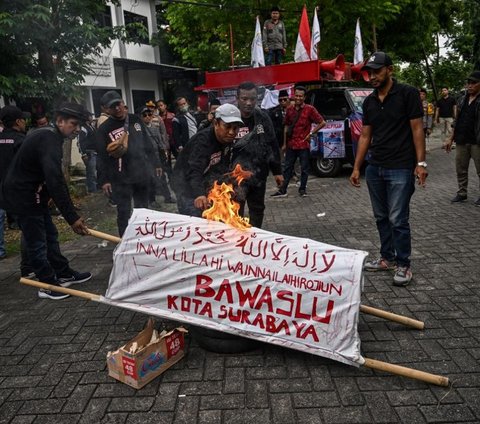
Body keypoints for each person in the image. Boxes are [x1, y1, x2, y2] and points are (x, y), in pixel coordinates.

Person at [349, 52, 427, 286]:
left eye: (377, 71)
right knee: (381, 216)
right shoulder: (370, 101)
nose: (372, 76)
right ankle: (387, 258)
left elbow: (417, 129)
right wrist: (356, 167)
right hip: (375, 167)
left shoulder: (408, 94)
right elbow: (365, 135)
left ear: (390, 70)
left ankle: (404, 264)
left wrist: (421, 164)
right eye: (369, 72)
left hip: (401, 167)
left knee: (398, 218)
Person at [1, 103, 92, 300]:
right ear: (59, 121)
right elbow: (55, 179)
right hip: (22, 196)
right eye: (73, 124)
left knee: (50, 234)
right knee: (37, 242)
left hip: (34, 193)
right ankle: (46, 284)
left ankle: (63, 272)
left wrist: (47, 197)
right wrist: (72, 218)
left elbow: (47, 176)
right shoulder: (48, 139)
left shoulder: (50, 136)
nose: (77, 129)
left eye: (79, 125)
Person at [96, 91, 161, 236]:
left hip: (141, 172)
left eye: (118, 104)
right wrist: (104, 180)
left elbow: (147, 143)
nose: (117, 108)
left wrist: (156, 163)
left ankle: (144, 239)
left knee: (143, 209)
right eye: (113, 106)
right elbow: (101, 156)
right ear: (107, 109)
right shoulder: (104, 129)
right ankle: (125, 241)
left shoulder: (135, 120)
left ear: (123, 103)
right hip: (120, 177)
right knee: (124, 211)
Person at [172, 104, 243, 217]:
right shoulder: (202, 142)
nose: (231, 132)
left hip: (203, 180)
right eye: (227, 127)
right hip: (185, 183)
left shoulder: (226, 140)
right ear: (216, 123)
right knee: (196, 218)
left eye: (235, 128)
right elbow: (194, 170)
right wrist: (199, 194)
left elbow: (221, 166)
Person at [232, 81, 283, 227]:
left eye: (253, 99)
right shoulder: (229, 118)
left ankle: (255, 239)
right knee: (236, 209)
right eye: (244, 99)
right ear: (237, 98)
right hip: (236, 176)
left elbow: (272, 144)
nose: (249, 103)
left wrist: (277, 171)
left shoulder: (263, 117)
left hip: (259, 174)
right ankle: (238, 240)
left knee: (257, 209)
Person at [271, 86, 325, 197]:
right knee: (287, 168)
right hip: (291, 144)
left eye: (301, 96)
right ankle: (283, 190)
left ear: (304, 97)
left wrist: (311, 133)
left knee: (304, 169)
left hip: (304, 144)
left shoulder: (310, 109)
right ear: (293, 96)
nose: (298, 98)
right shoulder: (290, 110)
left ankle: (302, 189)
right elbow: (286, 126)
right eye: (296, 96)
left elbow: (322, 122)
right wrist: (285, 144)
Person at [444, 71, 480, 206]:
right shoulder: (462, 99)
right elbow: (456, 120)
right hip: (461, 140)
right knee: (461, 168)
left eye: (473, 83)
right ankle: (462, 193)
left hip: (477, 141)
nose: (470, 86)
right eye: (468, 83)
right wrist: (450, 138)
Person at [0, 106, 29, 260]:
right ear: (18, 122)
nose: (25, 122)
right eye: (23, 119)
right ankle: (29, 265)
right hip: (20, 191)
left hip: (3, 190)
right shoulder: (22, 141)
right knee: (30, 229)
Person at [139, 106, 174, 205]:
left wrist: (164, 151)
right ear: (141, 117)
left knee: (162, 177)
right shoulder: (140, 129)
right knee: (150, 179)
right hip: (147, 157)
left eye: (149, 114)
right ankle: (152, 200)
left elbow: (160, 141)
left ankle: (167, 197)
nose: (147, 117)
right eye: (144, 115)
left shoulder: (154, 127)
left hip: (158, 156)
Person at [77, 114, 98, 193]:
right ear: (86, 118)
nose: (92, 118)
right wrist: (83, 154)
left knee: (95, 171)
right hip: (89, 153)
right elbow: (80, 142)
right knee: (91, 172)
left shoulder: (91, 126)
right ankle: (92, 190)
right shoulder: (83, 128)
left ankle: (96, 188)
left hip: (95, 152)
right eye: (90, 116)